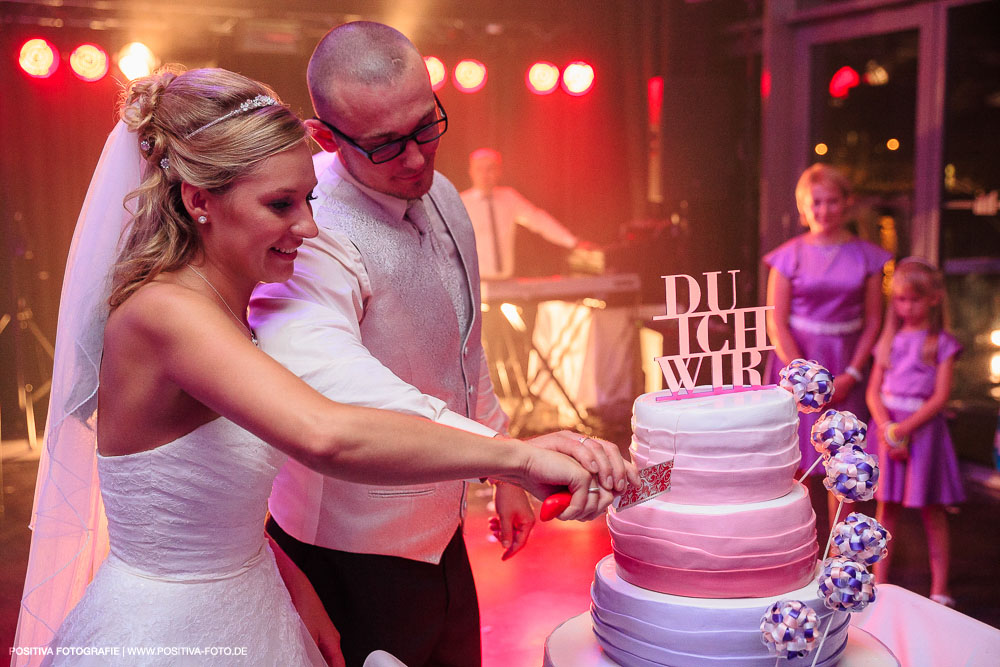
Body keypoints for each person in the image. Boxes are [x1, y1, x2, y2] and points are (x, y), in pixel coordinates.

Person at [12, 67, 634, 666]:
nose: (309, 227)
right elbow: (326, 432)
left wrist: (292, 587)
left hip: (253, 594)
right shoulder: (165, 314)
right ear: (199, 200)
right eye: (281, 204)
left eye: (308, 197)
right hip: (173, 630)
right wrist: (517, 457)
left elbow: (206, 501)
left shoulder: (224, 302)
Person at [248, 22, 630, 667]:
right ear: (325, 136)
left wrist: (499, 469)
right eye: (385, 145)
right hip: (349, 549)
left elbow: (464, 344)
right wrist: (511, 457)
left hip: (443, 529)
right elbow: (338, 389)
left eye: (427, 126)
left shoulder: (446, 195)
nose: (418, 158)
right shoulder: (304, 227)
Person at [764, 164, 891, 527]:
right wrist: (803, 376)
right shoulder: (788, 256)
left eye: (832, 201)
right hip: (799, 365)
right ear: (803, 206)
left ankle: (840, 550)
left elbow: (873, 321)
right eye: (815, 202)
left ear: (847, 203)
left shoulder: (869, 256)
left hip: (848, 363)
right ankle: (797, 541)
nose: (824, 210)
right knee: (797, 460)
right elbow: (777, 321)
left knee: (845, 459)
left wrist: (851, 373)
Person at [866, 257, 964, 607]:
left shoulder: (942, 343)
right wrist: (886, 429)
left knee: (932, 510)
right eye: (901, 299)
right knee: (886, 509)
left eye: (915, 299)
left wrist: (904, 429)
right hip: (888, 430)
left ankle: (939, 590)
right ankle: (881, 583)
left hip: (923, 435)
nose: (907, 306)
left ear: (934, 298)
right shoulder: (888, 340)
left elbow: (940, 397)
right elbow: (873, 390)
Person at [459, 148, 580, 280]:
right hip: (473, 282)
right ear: (471, 172)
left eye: (490, 169)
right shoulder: (460, 202)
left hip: (506, 281)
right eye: (479, 169)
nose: (485, 174)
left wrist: (573, 242)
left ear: (499, 172)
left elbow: (539, 221)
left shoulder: (509, 198)